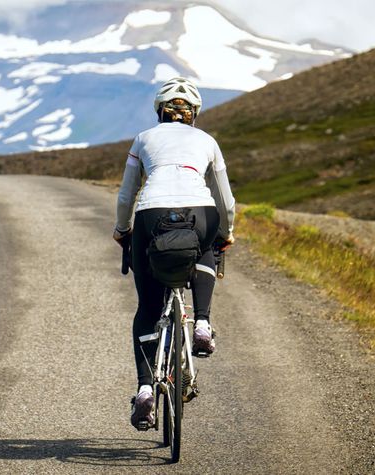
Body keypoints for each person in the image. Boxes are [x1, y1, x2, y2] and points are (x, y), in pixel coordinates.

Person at [113, 77, 236, 430]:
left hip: (151, 214)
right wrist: (225, 234)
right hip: (201, 211)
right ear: (194, 113)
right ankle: (201, 323)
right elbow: (225, 199)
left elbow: (126, 195)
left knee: (149, 308)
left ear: (159, 112)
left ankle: (145, 391)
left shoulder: (143, 139)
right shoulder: (207, 141)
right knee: (206, 248)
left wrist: (123, 231)